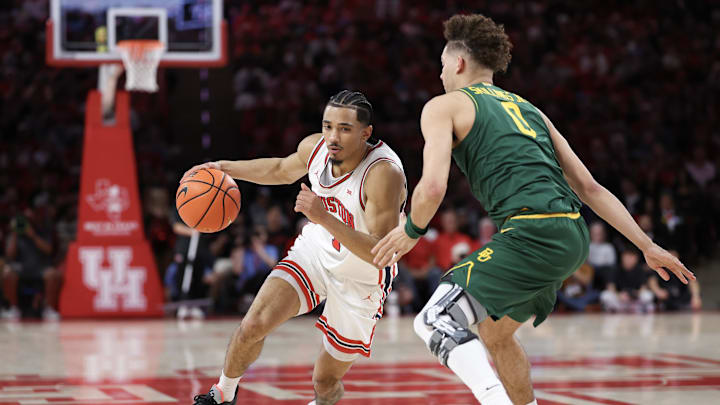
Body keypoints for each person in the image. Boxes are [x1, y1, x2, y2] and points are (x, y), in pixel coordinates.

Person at [372, 14, 695, 405]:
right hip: (572, 234)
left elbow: (433, 187)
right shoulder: (531, 109)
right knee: (494, 332)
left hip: (532, 231)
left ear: (458, 63)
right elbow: (590, 187)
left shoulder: (444, 106)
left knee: (434, 321)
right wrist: (646, 245)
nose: (440, 75)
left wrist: (411, 232)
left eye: (442, 65)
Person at [184, 90, 406, 405]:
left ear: (366, 133)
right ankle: (222, 393)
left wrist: (322, 217)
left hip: (362, 276)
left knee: (325, 382)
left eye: (344, 128)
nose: (333, 136)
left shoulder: (384, 174)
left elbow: (380, 254)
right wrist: (222, 167)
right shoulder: (315, 148)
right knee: (253, 324)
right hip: (316, 252)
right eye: (328, 126)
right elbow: (279, 169)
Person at [1, 208, 62, 321]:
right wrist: (15, 234)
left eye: (30, 219)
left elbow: (48, 250)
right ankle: (13, 309)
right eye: (25, 220)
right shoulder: (15, 233)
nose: (27, 222)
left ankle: (49, 309)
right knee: (7, 273)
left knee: (53, 274)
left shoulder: (43, 231)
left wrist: (32, 235)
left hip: (41, 269)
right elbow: (10, 255)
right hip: (21, 269)